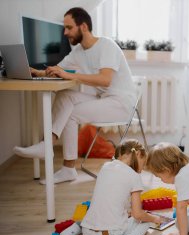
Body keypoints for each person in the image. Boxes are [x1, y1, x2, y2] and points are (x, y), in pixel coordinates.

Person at [13, 7, 137, 184]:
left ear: (83, 27)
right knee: (65, 96)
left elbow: (105, 80)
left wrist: (70, 75)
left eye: (69, 27)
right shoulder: (78, 52)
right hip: (104, 100)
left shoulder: (106, 45)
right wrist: (34, 71)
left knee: (70, 113)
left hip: (121, 104)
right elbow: (57, 70)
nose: (65, 33)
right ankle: (51, 149)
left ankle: (59, 159)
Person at [80, 139, 162, 235]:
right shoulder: (134, 176)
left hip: (86, 232)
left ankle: (74, 229)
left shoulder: (105, 166)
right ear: (137, 154)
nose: (142, 170)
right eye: (143, 164)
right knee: (145, 222)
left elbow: (111, 197)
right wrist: (155, 218)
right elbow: (137, 214)